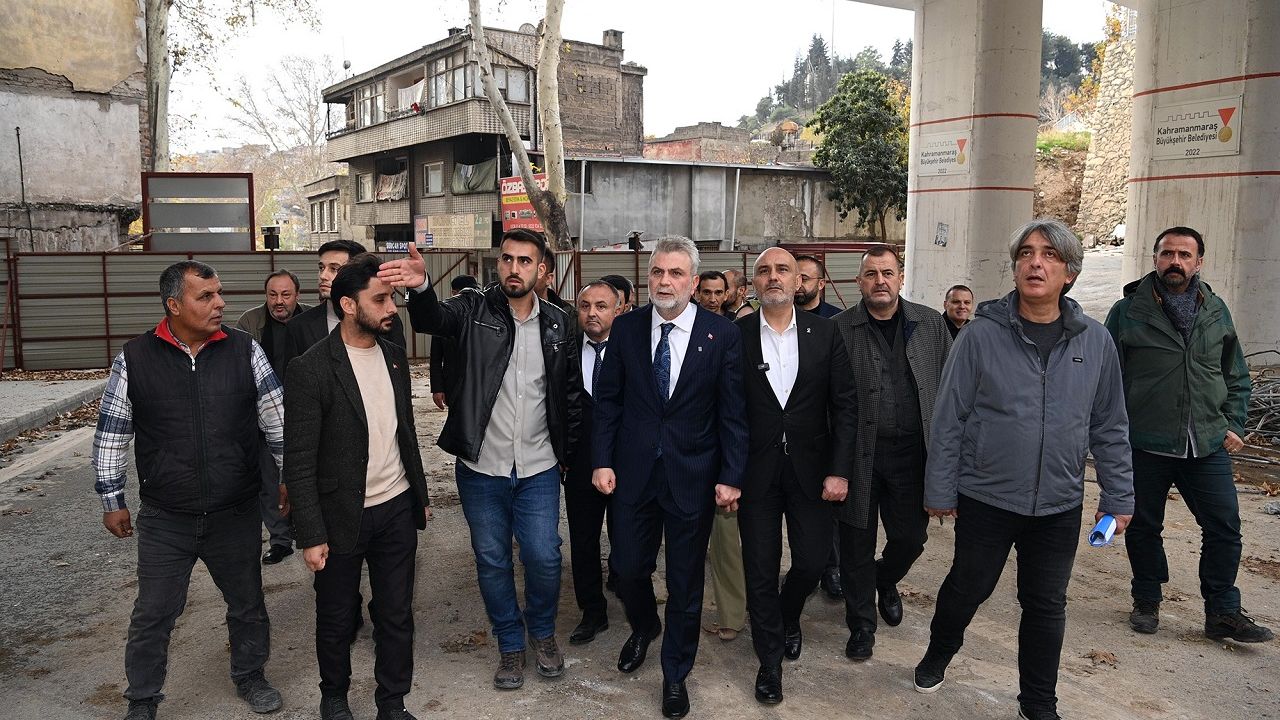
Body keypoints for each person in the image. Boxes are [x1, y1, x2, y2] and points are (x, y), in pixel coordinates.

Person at [915, 219, 1134, 720]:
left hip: (1059, 502)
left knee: (1046, 603)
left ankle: (1038, 703)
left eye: (1050, 255)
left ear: (1070, 273)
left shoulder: (1096, 341)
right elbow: (949, 418)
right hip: (987, 497)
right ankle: (939, 652)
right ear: (1015, 268)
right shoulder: (980, 336)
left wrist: (1119, 496)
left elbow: (1110, 425)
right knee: (968, 587)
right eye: (1026, 253)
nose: (1036, 262)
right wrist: (940, 489)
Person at [378, 228, 582, 691]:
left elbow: (569, 394)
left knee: (544, 556)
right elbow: (431, 320)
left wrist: (568, 454)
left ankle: (542, 632)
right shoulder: (473, 308)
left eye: (524, 261)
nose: (514, 268)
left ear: (541, 269)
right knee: (492, 560)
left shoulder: (559, 322)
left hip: (539, 465)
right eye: (507, 259)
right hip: (481, 467)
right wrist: (421, 286)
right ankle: (510, 643)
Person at [93, 260, 285, 720]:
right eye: (206, 296)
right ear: (174, 305)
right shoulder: (135, 358)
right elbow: (112, 434)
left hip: (234, 512)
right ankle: (142, 698)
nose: (220, 303)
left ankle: (250, 675)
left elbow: (279, 422)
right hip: (167, 518)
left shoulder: (245, 350)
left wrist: (288, 479)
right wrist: (112, 499)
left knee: (247, 604)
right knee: (154, 613)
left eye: (219, 293)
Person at [591, 236, 748, 719]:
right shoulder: (626, 329)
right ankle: (644, 626)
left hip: (692, 477)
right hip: (633, 474)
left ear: (693, 282)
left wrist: (731, 475)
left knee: (684, 583)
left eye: (676, 273)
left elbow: (733, 413)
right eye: (658, 272)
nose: (665, 281)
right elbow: (608, 401)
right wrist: (602, 460)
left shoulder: (721, 335)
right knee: (628, 569)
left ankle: (675, 673)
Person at [1105, 226, 1272, 644]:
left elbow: (1236, 373)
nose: (1174, 262)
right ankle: (1146, 599)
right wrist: (1110, 433)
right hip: (1145, 441)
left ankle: (1223, 612)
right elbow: (1106, 379)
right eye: (1167, 254)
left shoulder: (1215, 310)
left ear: (1199, 262)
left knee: (1224, 526)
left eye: (1184, 255)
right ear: (1155, 259)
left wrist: (1234, 423)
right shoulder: (1128, 312)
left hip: (1207, 443)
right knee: (1144, 526)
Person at [286, 254, 432, 720]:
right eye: (380, 300)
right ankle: (335, 698)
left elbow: (404, 431)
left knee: (396, 614)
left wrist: (419, 496)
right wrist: (311, 534)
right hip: (339, 515)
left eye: (392, 298)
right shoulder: (310, 368)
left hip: (396, 508)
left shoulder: (394, 356)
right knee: (335, 617)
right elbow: (299, 460)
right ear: (348, 305)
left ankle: (392, 702)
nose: (392, 308)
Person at [735, 248, 857, 705]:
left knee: (811, 562)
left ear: (798, 281)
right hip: (755, 474)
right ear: (754, 282)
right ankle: (769, 661)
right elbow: (725, 410)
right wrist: (728, 474)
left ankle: (788, 614)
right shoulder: (736, 335)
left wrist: (839, 470)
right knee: (759, 569)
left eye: (782, 270)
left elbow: (845, 406)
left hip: (812, 472)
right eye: (764, 270)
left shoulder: (826, 332)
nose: (774, 277)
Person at [832, 244, 951, 661]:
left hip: (912, 455)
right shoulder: (839, 329)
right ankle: (862, 626)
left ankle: (884, 579)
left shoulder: (931, 324)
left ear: (901, 278)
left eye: (887, 273)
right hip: (858, 455)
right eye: (871, 274)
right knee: (855, 544)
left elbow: (950, 390)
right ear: (858, 282)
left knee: (911, 537)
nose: (879, 281)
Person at [236, 269, 310, 565]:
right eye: (273, 295)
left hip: (306, 413)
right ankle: (280, 540)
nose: (279, 301)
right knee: (269, 482)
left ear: (297, 296)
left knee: (307, 476)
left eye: (286, 295)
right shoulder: (249, 323)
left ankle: (309, 531)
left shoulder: (312, 321)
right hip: (264, 417)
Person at [565, 280, 623, 645]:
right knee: (583, 541)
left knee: (628, 538)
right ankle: (592, 611)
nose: (592, 313)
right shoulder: (565, 351)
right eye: (585, 306)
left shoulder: (634, 351)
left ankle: (630, 594)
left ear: (618, 310)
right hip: (579, 464)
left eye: (601, 306)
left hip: (625, 464)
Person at [286, 240, 406, 367]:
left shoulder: (387, 320)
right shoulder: (298, 327)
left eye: (334, 269)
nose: (323, 276)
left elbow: (397, 369)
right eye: (321, 268)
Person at [429, 274, 479, 409]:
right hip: (454, 385)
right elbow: (436, 357)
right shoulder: (444, 318)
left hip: (480, 386)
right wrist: (437, 388)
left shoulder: (485, 317)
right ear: (454, 293)